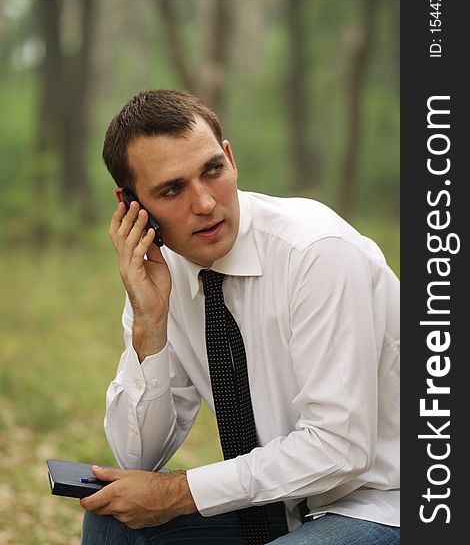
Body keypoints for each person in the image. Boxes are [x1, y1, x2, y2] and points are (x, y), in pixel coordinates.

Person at [80, 89, 400, 545]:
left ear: (229, 158)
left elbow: (340, 446)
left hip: (387, 503)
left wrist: (181, 492)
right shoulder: (158, 273)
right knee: (115, 518)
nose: (205, 203)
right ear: (133, 204)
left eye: (212, 171)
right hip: (279, 506)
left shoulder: (316, 252)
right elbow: (138, 457)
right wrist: (150, 325)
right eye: (172, 189)